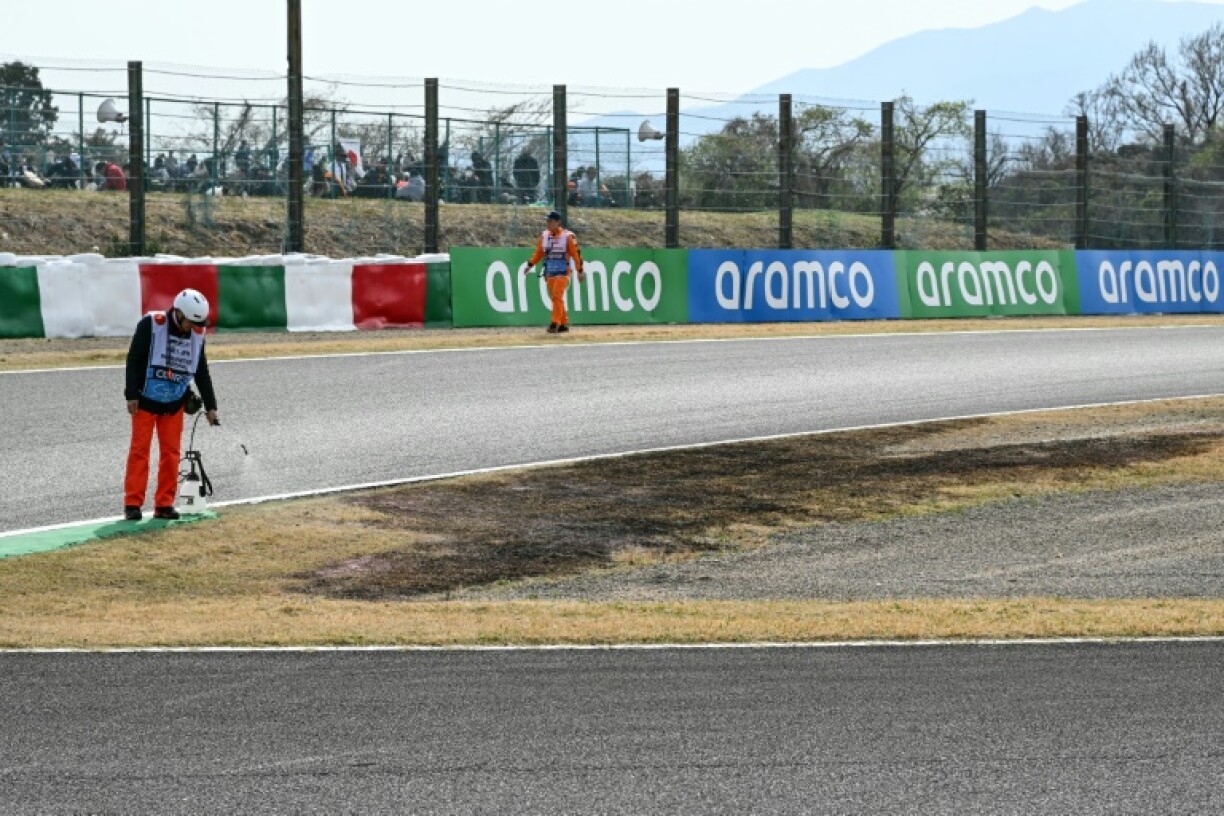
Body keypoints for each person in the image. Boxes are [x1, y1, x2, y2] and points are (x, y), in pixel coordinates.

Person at [123, 289, 219, 521]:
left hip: (175, 403)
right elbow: (134, 358)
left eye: (198, 323)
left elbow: (201, 371)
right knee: (139, 451)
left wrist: (211, 405)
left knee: (172, 454)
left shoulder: (197, 334)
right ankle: (132, 504)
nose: (194, 327)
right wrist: (131, 394)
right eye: (191, 322)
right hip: (144, 401)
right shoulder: (151, 324)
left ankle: (164, 504)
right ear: (178, 312)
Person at [523, 210, 584, 334]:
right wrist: (530, 264)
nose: (548, 224)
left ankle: (554, 323)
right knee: (556, 298)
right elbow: (539, 252)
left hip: (564, 271)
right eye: (548, 221)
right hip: (550, 271)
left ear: (558, 222)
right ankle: (563, 323)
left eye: (551, 221)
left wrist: (580, 270)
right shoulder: (545, 236)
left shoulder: (568, 236)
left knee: (557, 295)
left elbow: (575, 254)